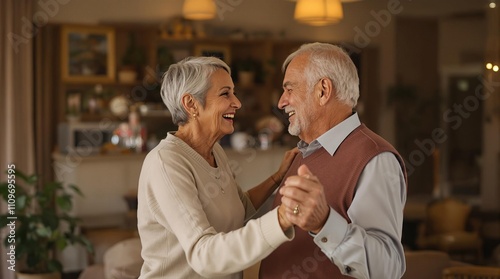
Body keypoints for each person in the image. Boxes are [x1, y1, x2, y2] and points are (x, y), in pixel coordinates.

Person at [137, 56, 298, 279]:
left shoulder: (215, 151)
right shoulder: (166, 163)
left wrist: (278, 177)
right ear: (191, 104)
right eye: (225, 93)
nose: (237, 103)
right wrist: (281, 219)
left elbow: (238, 208)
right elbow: (203, 254)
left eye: (234, 92)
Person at [259, 42, 408, 279]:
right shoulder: (303, 154)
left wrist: (325, 223)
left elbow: (386, 270)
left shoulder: (376, 159)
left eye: (289, 89)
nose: (281, 102)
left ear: (323, 90)